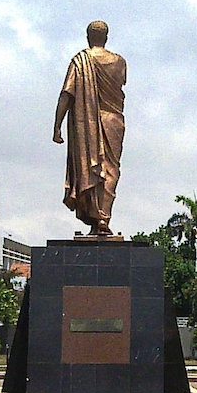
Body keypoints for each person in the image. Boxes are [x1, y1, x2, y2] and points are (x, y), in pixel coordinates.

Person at [53, 20, 128, 236]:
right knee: (111, 169)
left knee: (93, 168)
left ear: (88, 37)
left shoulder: (80, 62)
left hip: (88, 125)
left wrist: (57, 127)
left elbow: (67, 94)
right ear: (106, 37)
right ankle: (102, 219)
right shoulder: (119, 62)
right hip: (114, 121)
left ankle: (100, 217)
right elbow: (121, 84)